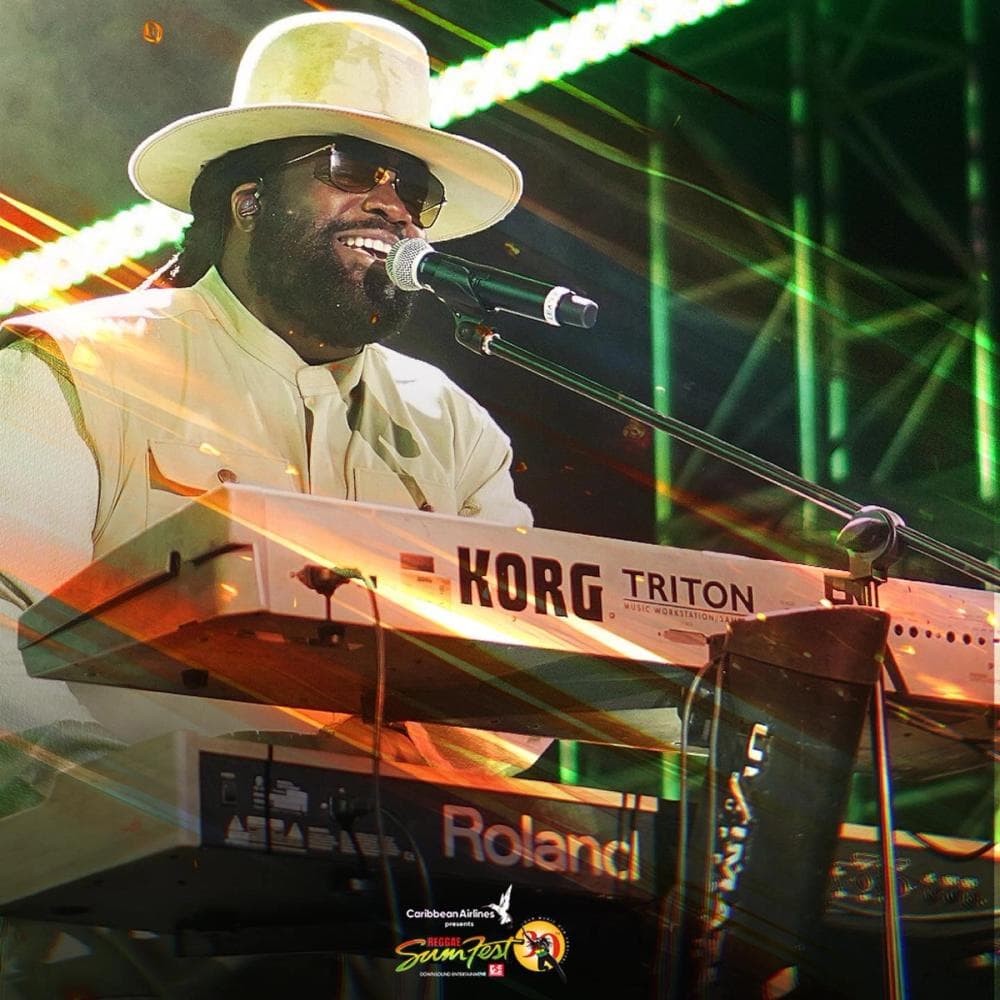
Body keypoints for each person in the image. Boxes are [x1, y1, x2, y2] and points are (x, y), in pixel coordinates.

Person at [0, 11, 547, 997]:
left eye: (411, 189)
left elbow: (509, 699)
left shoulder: (451, 423)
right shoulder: (75, 366)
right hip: (117, 942)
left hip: (397, 941)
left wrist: (430, 830)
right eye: (350, 166)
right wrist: (144, 801)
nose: (393, 205)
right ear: (248, 200)